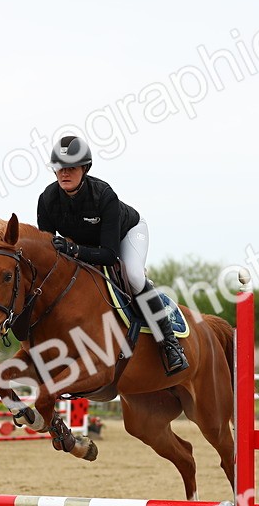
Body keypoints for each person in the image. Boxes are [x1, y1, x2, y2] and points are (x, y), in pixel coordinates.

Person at [36, 135, 188, 375]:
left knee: (135, 277)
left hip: (126, 234)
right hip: (86, 244)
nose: (64, 173)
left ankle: (170, 344)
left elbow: (109, 255)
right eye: (59, 168)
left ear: (85, 168)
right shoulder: (47, 199)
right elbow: (50, 250)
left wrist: (73, 250)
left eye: (71, 168)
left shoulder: (104, 195)